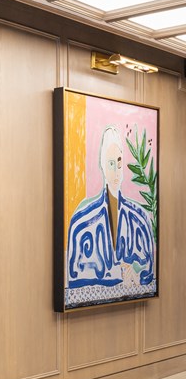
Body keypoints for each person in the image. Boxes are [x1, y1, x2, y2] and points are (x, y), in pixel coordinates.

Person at [66, 126, 155, 302]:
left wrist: (136, 270)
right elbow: (74, 274)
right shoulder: (82, 223)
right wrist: (118, 272)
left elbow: (149, 267)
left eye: (119, 162)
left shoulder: (139, 220)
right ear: (102, 166)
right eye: (111, 163)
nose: (116, 170)